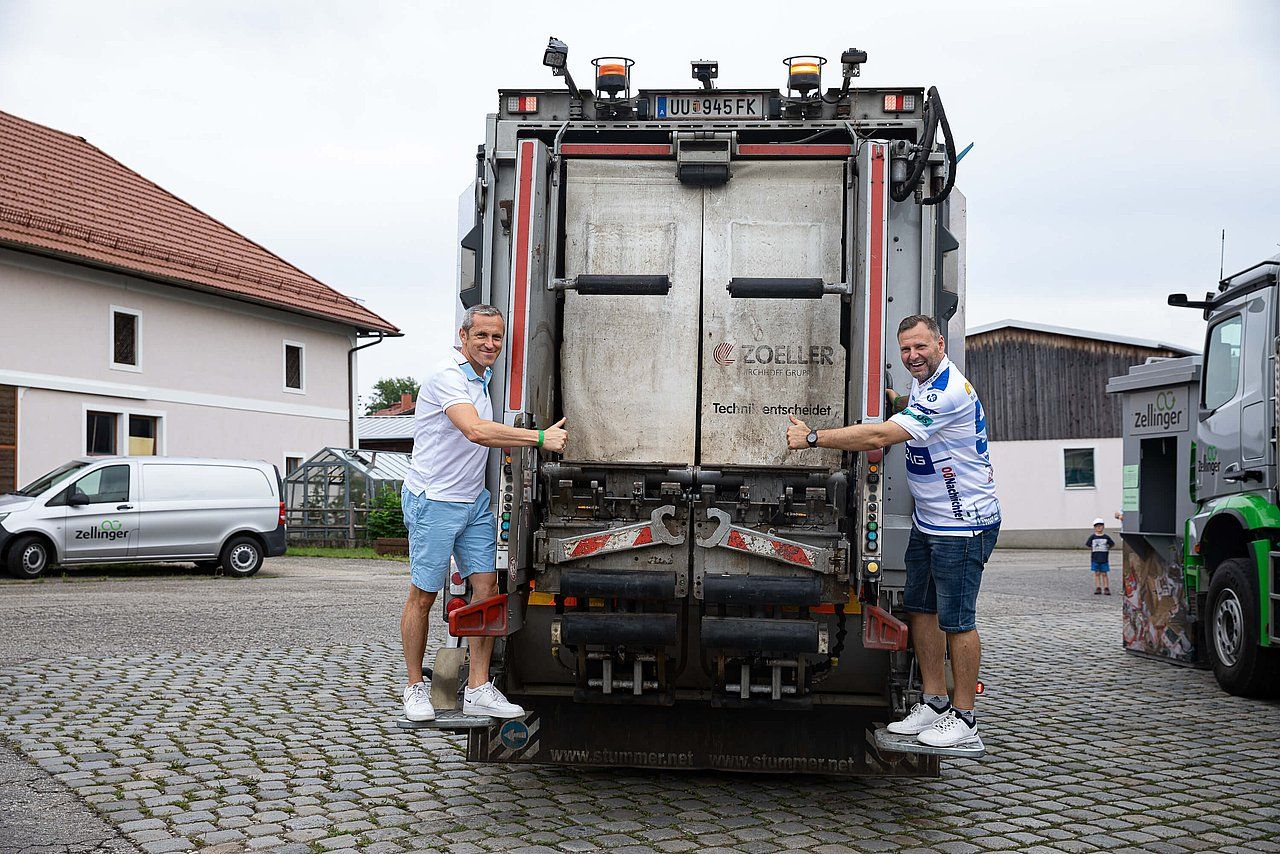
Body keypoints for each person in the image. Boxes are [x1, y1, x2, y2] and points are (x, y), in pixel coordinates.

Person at [786, 314, 1000, 749]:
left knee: (958, 621)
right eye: (905, 349)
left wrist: (813, 439)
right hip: (930, 521)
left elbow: (881, 436)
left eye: (921, 347)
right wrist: (896, 398)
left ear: (940, 343)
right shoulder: (925, 385)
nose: (912, 356)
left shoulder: (949, 391)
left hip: (963, 525)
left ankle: (965, 718)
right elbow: (908, 405)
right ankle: (935, 703)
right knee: (922, 609)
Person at [400, 304, 568, 722]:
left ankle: (477, 687)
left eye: (497, 337)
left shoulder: (483, 378)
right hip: (435, 500)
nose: (491, 344)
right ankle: (414, 688)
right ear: (463, 336)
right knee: (423, 595)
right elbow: (474, 430)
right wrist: (540, 437)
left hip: (473, 501)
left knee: (487, 587)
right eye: (482, 337)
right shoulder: (448, 376)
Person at [1087, 517, 1115, 595]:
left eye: (1100, 525)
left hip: (1104, 558)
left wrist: (1107, 549)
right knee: (1097, 573)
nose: (1099, 527)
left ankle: (1106, 587)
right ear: (1094, 527)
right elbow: (1088, 545)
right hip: (1095, 558)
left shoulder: (1106, 537)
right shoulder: (1092, 537)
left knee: (1104, 573)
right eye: (1097, 526)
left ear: (1103, 526)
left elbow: (1112, 544)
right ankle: (1098, 587)